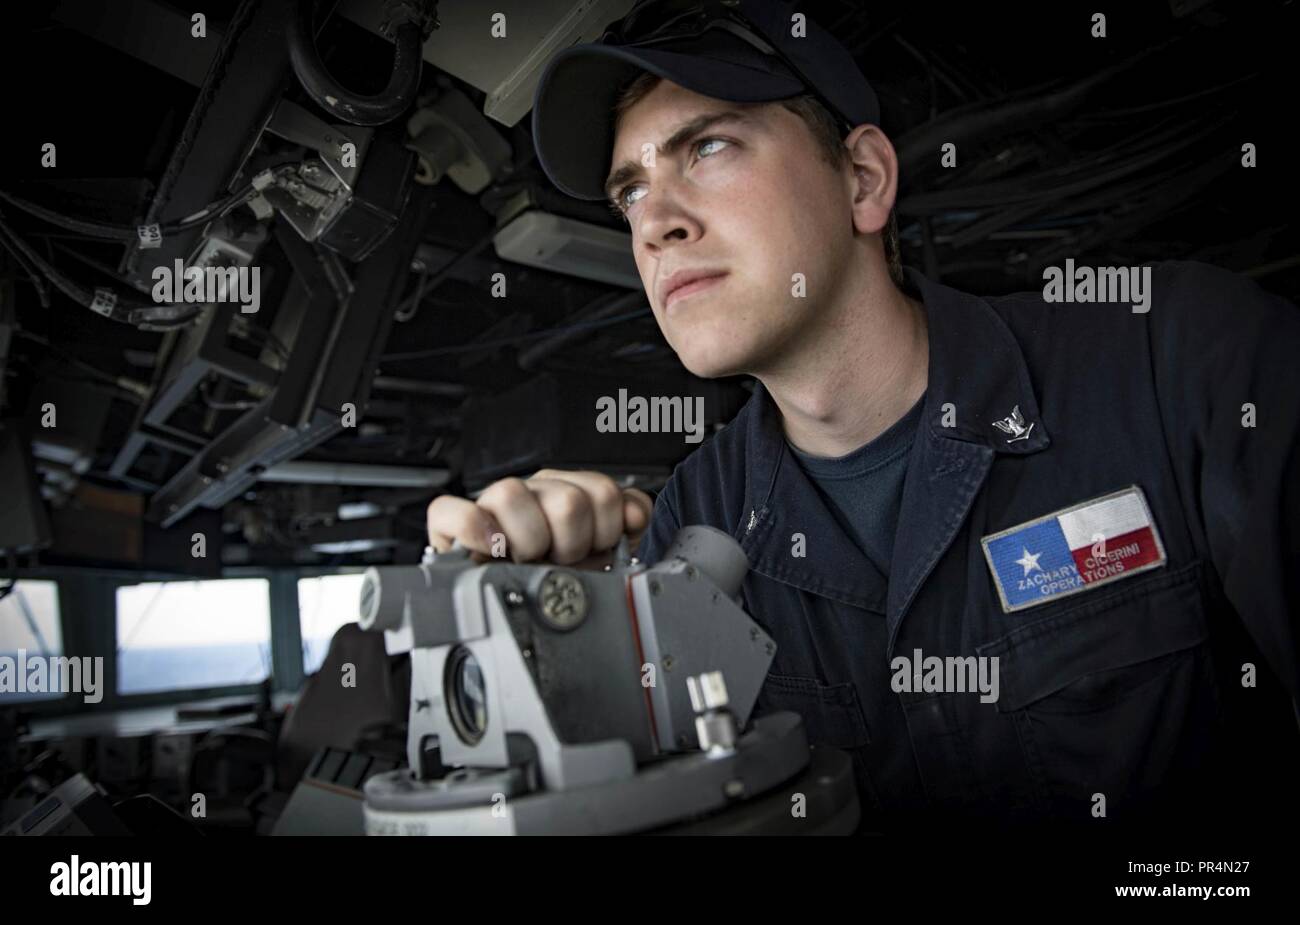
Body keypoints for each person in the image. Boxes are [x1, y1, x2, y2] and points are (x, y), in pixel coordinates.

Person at [427, 0, 1300, 829]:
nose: (654, 223)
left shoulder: (1181, 360)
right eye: (629, 193)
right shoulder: (693, 520)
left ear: (864, 179)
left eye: (709, 148)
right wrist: (570, 669)